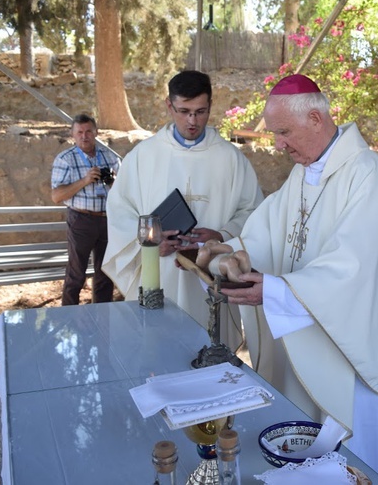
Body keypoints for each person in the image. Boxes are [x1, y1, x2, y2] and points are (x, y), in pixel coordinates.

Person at [209, 74, 378, 484]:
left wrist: (278, 290)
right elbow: (270, 231)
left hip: (358, 353)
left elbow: (355, 267)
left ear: (316, 118)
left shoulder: (368, 174)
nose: (278, 144)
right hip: (312, 338)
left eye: (283, 132)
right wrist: (236, 252)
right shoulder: (305, 171)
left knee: (360, 459)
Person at [102, 70, 263, 340]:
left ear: (211, 106)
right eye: (184, 111)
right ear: (169, 105)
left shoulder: (231, 159)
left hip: (210, 272)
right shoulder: (144, 155)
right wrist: (149, 243)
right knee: (156, 348)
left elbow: (253, 212)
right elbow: (119, 211)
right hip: (160, 271)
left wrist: (222, 234)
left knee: (208, 349)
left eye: (201, 112)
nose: (192, 121)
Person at [51, 114, 121, 306]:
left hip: (107, 220)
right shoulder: (65, 159)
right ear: (72, 135)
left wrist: (114, 181)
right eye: (79, 132)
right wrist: (84, 180)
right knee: (76, 273)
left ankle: (102, 318)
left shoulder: (110, 157)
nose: (84, 136)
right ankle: (70, 317)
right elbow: (57, 196)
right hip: (81, 220)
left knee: (104, 273)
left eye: (88, 131)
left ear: (96, 132)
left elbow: (121, 194)